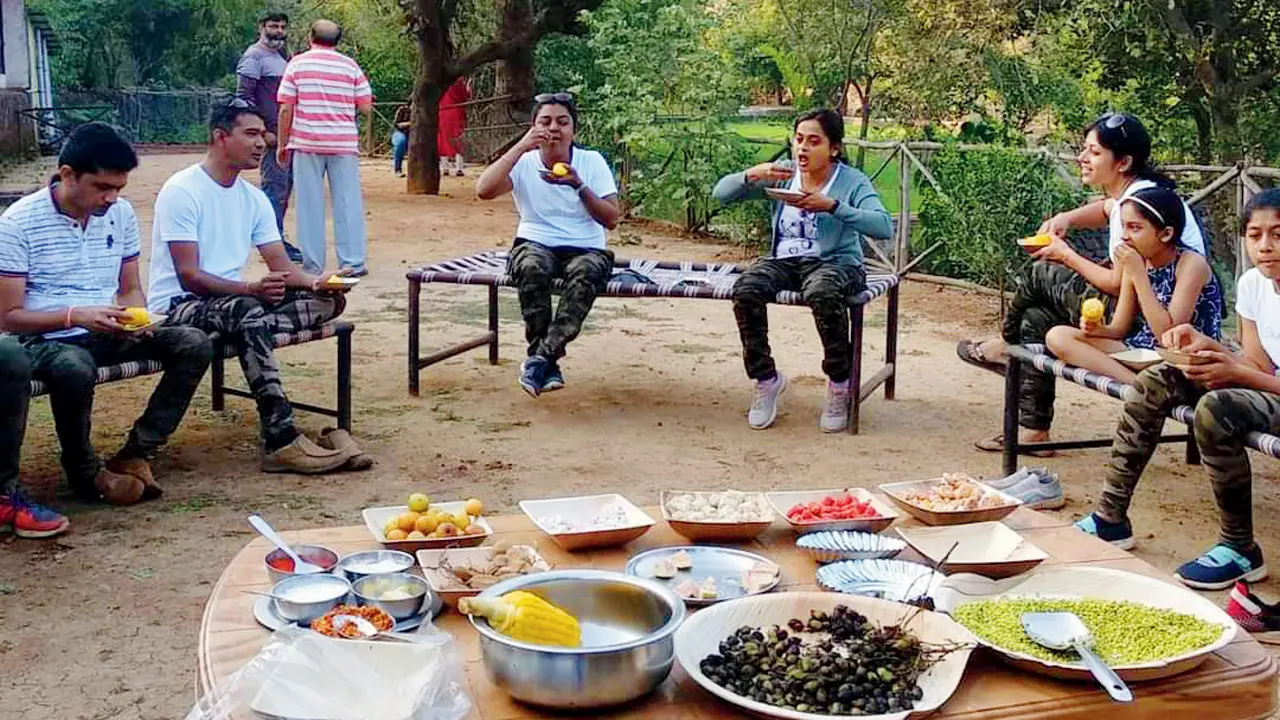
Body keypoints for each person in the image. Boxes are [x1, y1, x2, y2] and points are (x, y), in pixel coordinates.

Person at [0, 123, 214, 537]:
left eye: (118, 187)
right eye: (102, 187)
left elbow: (129, 286)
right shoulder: (18, 223)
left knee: (193, 342)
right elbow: (8, 317)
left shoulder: (119, 213)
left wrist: (137, 318)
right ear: (67, 174)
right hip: (42, 337)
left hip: (104, 326)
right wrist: (74, 316)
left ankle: (137, 451)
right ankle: (84, 470)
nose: (111, 198)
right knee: (74, 365)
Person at [956, 113, 1207, 454]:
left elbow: (1116, 284)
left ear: (1123, 163)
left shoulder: (1137, 208)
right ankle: (1034, 430)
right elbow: (1105, 208)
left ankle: (1006, 345)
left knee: (1041, 273)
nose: (1082, 158)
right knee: (1036, 321)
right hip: (1136, 312)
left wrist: (1065, 254)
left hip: (1151, 318)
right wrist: (1067, 219)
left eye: (1094, 152)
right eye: (1084, 149)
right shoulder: (1137, 194)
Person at [1074, 189, 1280, 590]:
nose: (1265, 246)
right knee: (1156, 379)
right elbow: (1257, 364)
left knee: (1217, 409)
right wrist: (1210, 347)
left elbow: (1256, 377)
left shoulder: (1192, 263)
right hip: (1268, 388)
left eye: (1278, 234)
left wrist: (1232, 371)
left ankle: (1240, 549)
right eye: (1255, 236)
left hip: (1269, 395)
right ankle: (1110, 518)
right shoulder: (1253, 284)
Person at [150, 101, 362, 474]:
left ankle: (253, 327)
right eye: (250, 133)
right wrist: (251, 289)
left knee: (326, 304)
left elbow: (282, 268)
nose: (262, 142)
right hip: (181, 307)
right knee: (246, 310)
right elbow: (190, 276)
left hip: (236, 306)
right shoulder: (182, 190)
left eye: (263, 134)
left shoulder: (253, 198)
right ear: (220, 137)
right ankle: (280, 437)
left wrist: (318, 281)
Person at [713, 108, 893, 433]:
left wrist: (833, 206)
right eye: (798, 140)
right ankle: (766, 379)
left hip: (837, 264)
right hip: (784, 262)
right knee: (746, 288)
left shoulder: (851, 181)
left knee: (822, 292)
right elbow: (721, 194)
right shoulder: (783, 173)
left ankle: (840, 383)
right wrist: (751, 174)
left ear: (834, 148)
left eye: (813, 141)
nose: (803, 148)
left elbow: (882, 226)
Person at [474, 92, 620, 397]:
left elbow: (611, 219)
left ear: (573, 130)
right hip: (535, 243)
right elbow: (484, 190)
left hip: (586, 248)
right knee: (531, 266)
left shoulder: (591, 162)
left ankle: (540, 358)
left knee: (587, 272)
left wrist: (578, 185)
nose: (554, 128)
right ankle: (545, 363)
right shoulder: (524, 162)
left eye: (562, 122)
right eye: (545, 121)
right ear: (533, 127)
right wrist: (521, 146)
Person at [1045, 186, 1222, 384]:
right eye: (1124, 227)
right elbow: (1119, 328)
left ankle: (1141, 386)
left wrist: (1139, 275)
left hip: (1182, 359)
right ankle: (1134, 384)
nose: (1124, 236)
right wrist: (1098, 330)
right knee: (1057, 336)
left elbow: (1168, 338)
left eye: (1134, 228)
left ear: (1165, 234)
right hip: (1141, 352)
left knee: (1162, 361)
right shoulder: (1137, 261)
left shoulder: (1191, 264)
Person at [276, 19, 372, 277]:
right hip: (343, 143)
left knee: (309, 204)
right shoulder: (350, 66)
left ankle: (313, 265)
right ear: (338, 41)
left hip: (307, 142)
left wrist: (283, 143)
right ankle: (353, 262)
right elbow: (365, 106)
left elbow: (286, 107)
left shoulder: (297, 64)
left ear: (311, 37)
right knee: (348, 202)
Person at [235, 9, 303, 265]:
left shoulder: (282, 57)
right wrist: (263, 132)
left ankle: (276, 238)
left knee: (284, 189)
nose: (279, 32)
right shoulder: (254, 57)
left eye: (282, 27)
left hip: (288, 135)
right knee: (274, 189)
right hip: (274, 136)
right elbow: (243, 98)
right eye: (274, 26)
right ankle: (272, 244)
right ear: (261, 27)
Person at [438, 77, 471, 177]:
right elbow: (464, 97)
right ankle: (459, 168)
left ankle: (445, 168)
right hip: (456, 112)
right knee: (458, 138)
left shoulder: (438, 81)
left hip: (442, 112)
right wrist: (468, 88)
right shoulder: (457, 81)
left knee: (443, 139)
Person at [391, 99, 411, 177]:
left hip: (415, 134)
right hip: (400, 132)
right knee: (401, 142)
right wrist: (411, 123)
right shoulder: (402, 110)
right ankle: (398, 169)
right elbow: (397, 124)